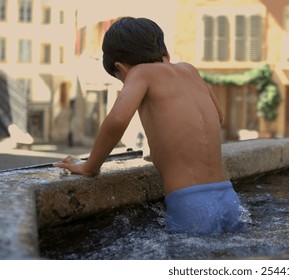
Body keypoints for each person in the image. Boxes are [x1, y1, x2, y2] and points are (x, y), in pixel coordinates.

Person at [53, 17, 245, 235]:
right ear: (167, 56)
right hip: (228, 197)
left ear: (121, 68)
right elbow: (217, 117)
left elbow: (117, 120)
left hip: (190, 201)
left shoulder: (140, 73)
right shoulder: (190, 71)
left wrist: (89, 167)